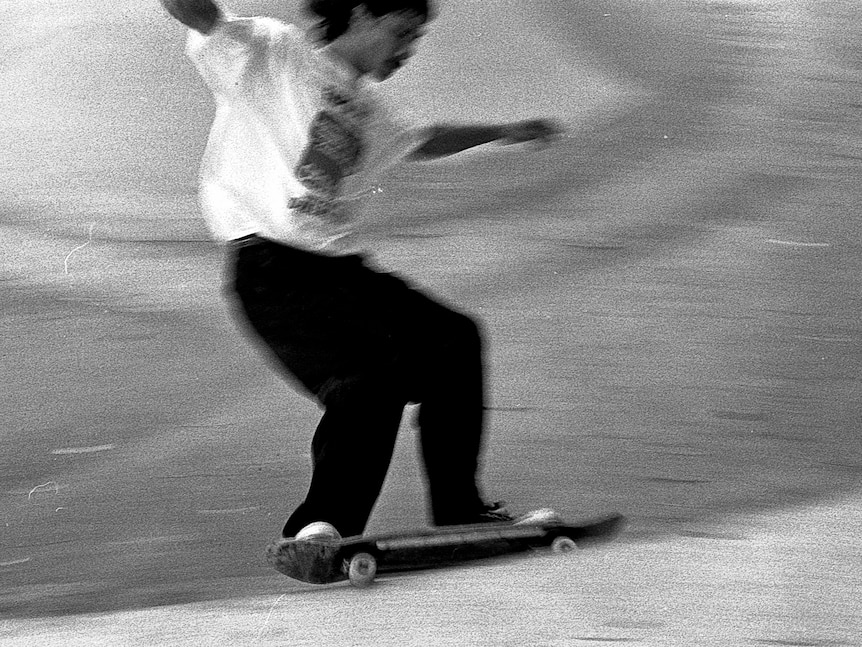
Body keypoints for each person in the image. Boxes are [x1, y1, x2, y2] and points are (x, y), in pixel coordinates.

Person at [159, 0, 560, 541]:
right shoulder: (274, 51)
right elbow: (200, 16)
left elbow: (423, 141)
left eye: (416, 40)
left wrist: (505, 131)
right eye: (402, 32)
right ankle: (324, 529)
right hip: (273, 273)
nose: (408, 51)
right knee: (365, 385)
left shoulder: (368, 111)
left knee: (454, 340)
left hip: (341, 276)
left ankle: (460, 510)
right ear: (364, 15)